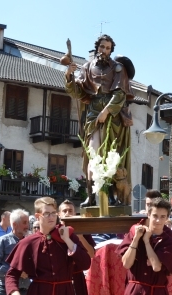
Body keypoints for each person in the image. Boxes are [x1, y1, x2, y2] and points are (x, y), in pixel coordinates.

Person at [66, 34, 134, 207]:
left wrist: (107, 111)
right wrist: (69, 76)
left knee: (111, 156)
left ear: (111, 50)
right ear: (97, 47)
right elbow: (78, 93)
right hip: (92, 116)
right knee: (93, 155)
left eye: (108, 48)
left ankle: (111, 195)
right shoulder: (87, 68)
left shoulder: (118, 68)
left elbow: (120, 93)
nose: (104, 50)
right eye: (102, 47)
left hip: (114, 117)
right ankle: (92, 195)